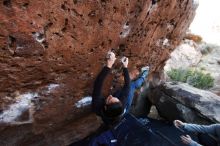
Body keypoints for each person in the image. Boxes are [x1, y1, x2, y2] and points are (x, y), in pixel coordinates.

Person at [92, 51, 130, 126]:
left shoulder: (97, 106)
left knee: (107, 121)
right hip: (119, 113)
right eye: (116, 99)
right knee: (130, 87)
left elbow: (98, 84)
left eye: (109, 99)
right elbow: (127, 86)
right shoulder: (121, 104)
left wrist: (108, 65)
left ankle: (106, 124)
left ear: (105, 107)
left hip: (107, 117)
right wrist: (125, 67)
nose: (111, 96)